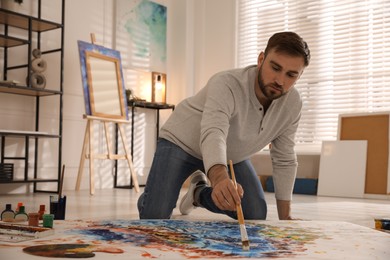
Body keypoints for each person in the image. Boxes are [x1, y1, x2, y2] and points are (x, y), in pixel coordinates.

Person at [137, 31, 310, 221]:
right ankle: (152, 197)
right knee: (155, 216)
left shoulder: (293, 103)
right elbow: (214, 132)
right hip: (181, 142)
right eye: (275, 67)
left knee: (255, 214)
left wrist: (286, 218)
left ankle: (198, 194)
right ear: (261, 59)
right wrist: (219, 179)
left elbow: (284, 157)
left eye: (291, 75)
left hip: (230, 155)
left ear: (299, 76)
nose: (280, 80)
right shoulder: (227, 83)